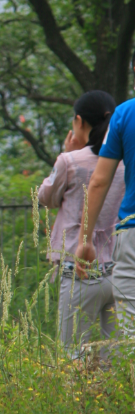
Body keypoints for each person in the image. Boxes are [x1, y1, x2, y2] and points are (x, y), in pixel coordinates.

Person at [39, 91, 124, 354]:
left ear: (79, 121)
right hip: (120, 267)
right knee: (118, 360)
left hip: (78, 268)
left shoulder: (70, 161)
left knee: (74, 355)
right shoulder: (125, 161)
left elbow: (46, 198)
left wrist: (67, 154)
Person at [76, 51, 135, 338]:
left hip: (132, 233)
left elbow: (99, 181)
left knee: (130, 332)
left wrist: (85, 239)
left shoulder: (124, 113)